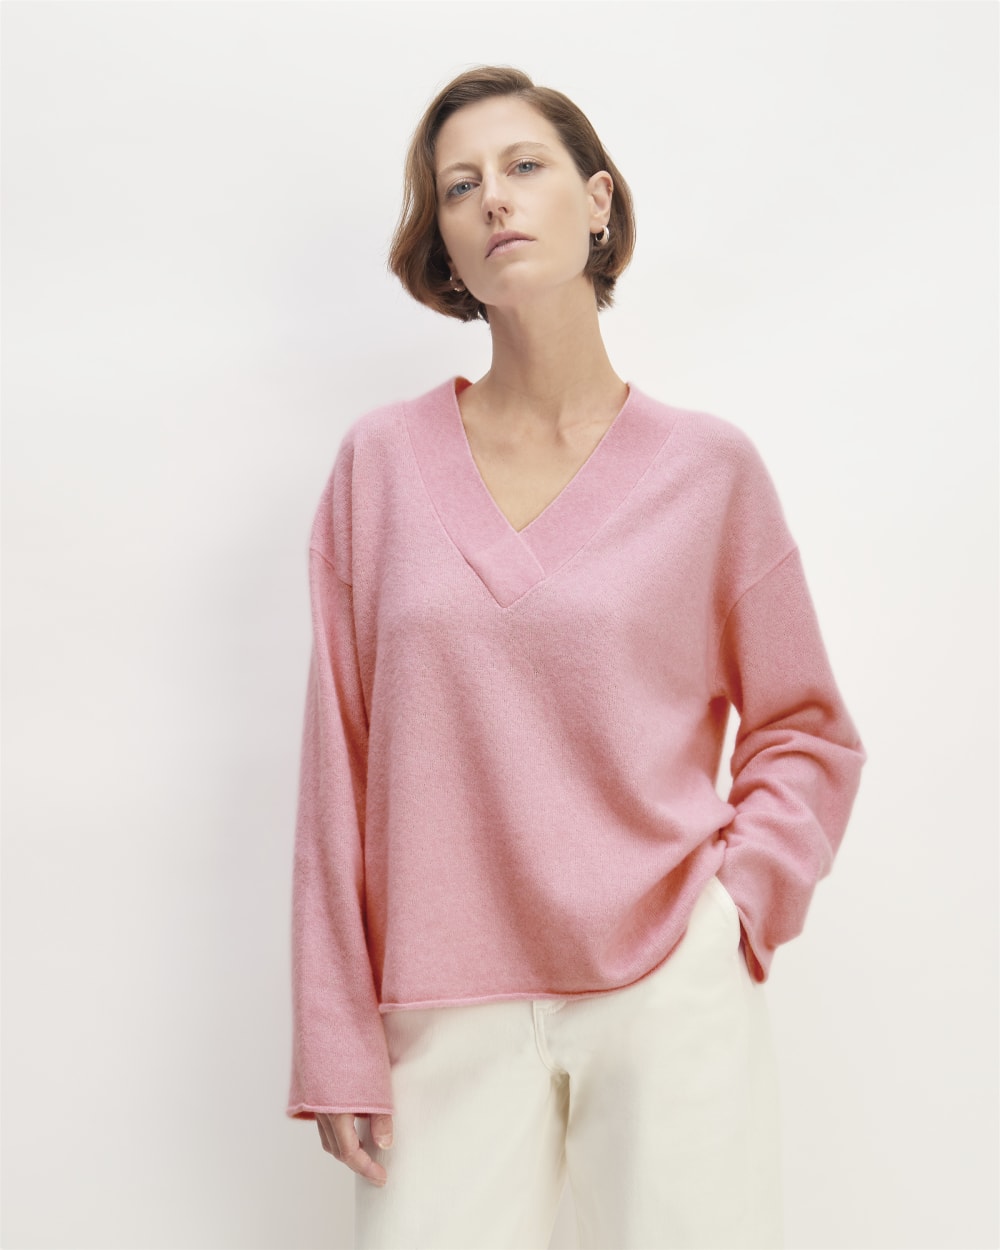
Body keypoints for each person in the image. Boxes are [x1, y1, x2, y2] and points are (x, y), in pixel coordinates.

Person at [285, 64, 867, 1250]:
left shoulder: (708, 471)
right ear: (445, 245)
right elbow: (336, 762)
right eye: (459, 186)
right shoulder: (379, 467)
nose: (493, 198)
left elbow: (805, 729)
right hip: (442, 1002)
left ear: (596, 201)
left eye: (523, 165)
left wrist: (732, 914)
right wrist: (335, 1030)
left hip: (665, 983)